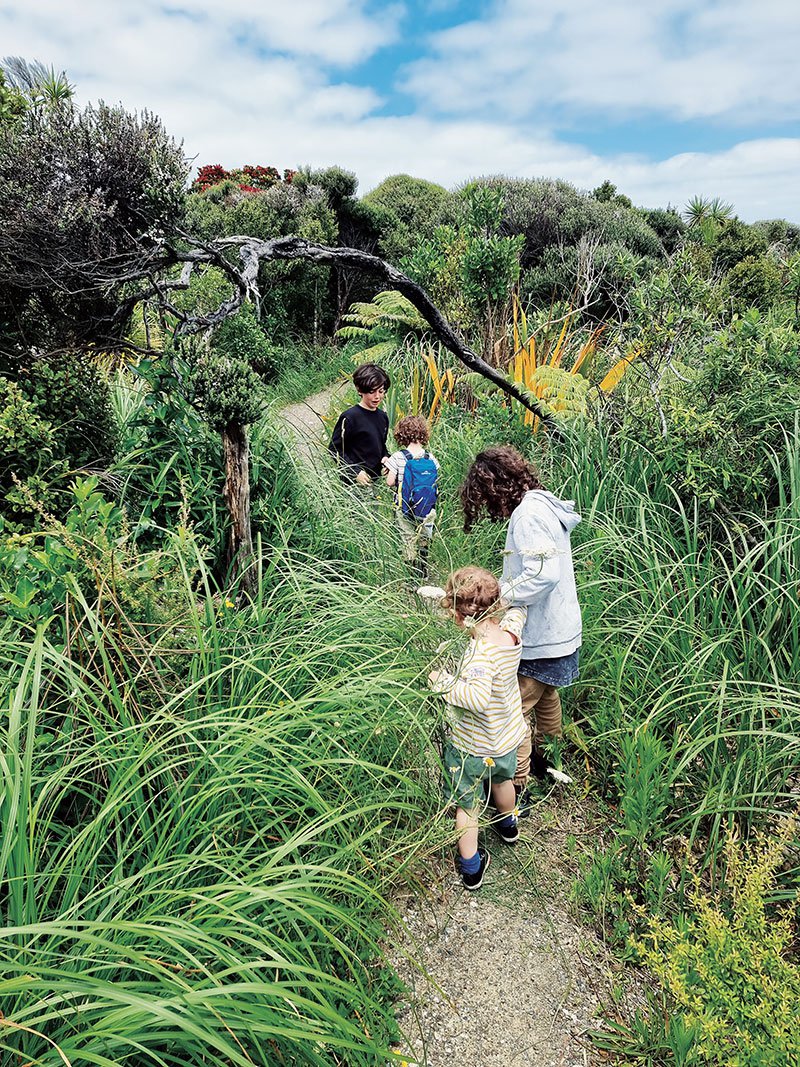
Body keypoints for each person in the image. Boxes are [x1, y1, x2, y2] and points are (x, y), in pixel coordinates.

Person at [460, 446, 581, 805]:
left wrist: (501, 595)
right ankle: (552, 755)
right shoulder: (542, 503)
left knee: (515, 710)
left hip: (543, 634)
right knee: (547, 693)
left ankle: (518, 782)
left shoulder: (527, 515)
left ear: (495, 488)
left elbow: (544, 573)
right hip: (563, 631)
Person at [428, 566, 527, 890]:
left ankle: (471, 867)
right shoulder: (510, 635)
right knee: (502, 781)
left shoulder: (479, 655)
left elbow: (476, 698)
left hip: (473, 746)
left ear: (460, 615)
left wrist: (441, 683)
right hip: (507, 738)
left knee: (467, 806)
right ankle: (508, 824)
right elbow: (518, 612)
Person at [383, 415, 439, 578]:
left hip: (404, 507)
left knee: (408, 538)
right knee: (424, 536)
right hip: (427, 508)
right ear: (423, 434)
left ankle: (411, 575)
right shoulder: (430, 458)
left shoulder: (398, 457)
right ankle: (424, 571)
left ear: (401, 435)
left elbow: (389, 482)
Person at [328, 363, 391, 486]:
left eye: (381, 391)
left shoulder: (383, 417)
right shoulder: (350, 417)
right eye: (372, 392)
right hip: (352, 485)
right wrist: (354, 472)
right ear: (360, 390)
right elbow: (334, 449)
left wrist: (386, 458)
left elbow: (381, 446)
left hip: (376, 483)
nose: (377, 396)